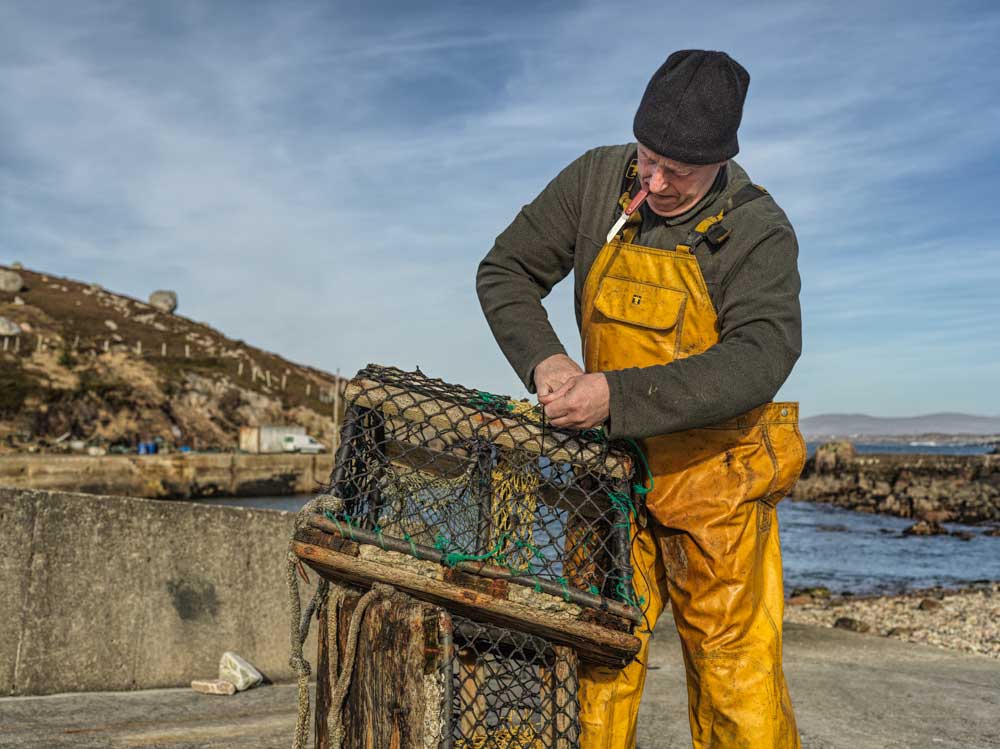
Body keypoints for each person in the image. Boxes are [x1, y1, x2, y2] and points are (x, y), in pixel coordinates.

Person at [477, 50, 806, 748]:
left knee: (736, 693)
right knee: (593, 677)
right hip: (607, 485)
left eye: (676, 172)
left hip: (715, 489)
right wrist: (548, 360)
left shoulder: (758, 229)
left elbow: (762, 355)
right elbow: (505, 269)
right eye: (647, 158)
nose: (652, 181)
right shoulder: (598, 177)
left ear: (721, 159)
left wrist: (614, 395)